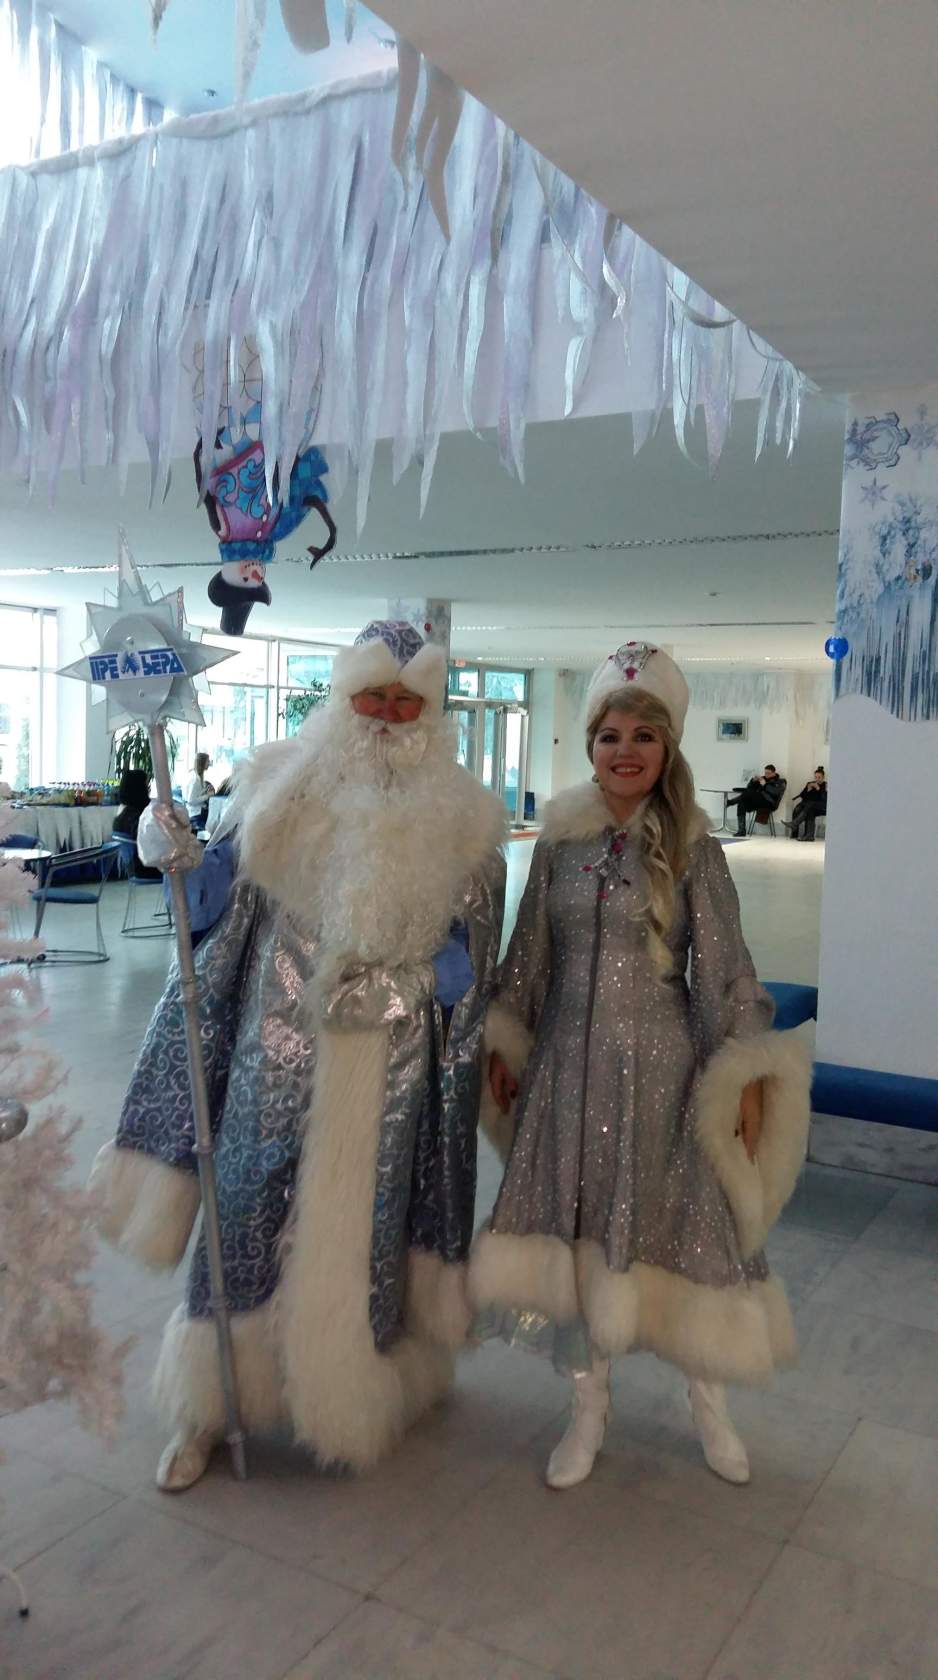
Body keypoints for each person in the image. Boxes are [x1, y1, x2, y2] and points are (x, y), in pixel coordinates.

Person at [89, 621, 507, 1491]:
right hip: (272, 1049)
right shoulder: (277, 789)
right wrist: (172, 853)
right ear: (342, 697)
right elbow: (211, 904)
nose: (387, 713)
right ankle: (208, 1405)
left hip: (392, 1066)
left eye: (407, 701)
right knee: (244, 1209)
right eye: (372, 695)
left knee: (370, 1225)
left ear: (430, 711)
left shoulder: (466, 821)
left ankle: (350, 1396)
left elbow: (467, 966)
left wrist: (411, 985)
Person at [470, 643, 810, 1491]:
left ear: (667, 748)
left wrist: (742, 1076)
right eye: (609, 735)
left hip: (664, 1080)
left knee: (687, 1237)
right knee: (582, 1242)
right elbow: (528, 957)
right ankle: (588, 1408)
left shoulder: (695, 848)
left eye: (643, 736)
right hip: (566, 1078)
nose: (625, 751)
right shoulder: (559, 845)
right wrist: (508, 1041)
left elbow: (726, 970)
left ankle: (709, 1403)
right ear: (590, 745)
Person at [111, 769, 161, 880]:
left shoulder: (124, 813)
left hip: (135, 866)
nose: (148, 789)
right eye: (146, 786)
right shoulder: (134, 818)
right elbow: (148, 838)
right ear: (138, 789)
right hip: (146, 867)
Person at [727, 764, 786, 836]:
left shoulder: (780, 781)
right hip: (758, 801)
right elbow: (749, 788)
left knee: (750, 793)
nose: (766, 775)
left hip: (769, 802)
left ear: (774, 773)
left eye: (768, 773)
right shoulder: (762, 778)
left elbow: (776, 792)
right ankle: (741, 831)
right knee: (741, 803)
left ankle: (731, 802)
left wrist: (765, 785)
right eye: (765, 773)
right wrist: (753, 781)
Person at [787, 767, 827, 841]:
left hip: (822, 807)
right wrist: (808, 789)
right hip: (810, 807)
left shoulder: (825, 785)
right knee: (801, 809)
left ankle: (794, 824)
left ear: (823, 777)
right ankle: (807, 836)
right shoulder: (810, 784)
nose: (817, 779)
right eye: (816, 777)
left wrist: (818, 789)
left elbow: (825, 799)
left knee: (810, 805)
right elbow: (803, 796)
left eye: (819, 777)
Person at [184, 752, 214, 827]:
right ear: (202, 762)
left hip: (193, 813)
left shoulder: (193, 775)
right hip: (196, 815)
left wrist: (205, 790)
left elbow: (195, 794)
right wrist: (207, 795)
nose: (209, 764)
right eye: (207, 761)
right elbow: (191, 800)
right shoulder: (196, 780)